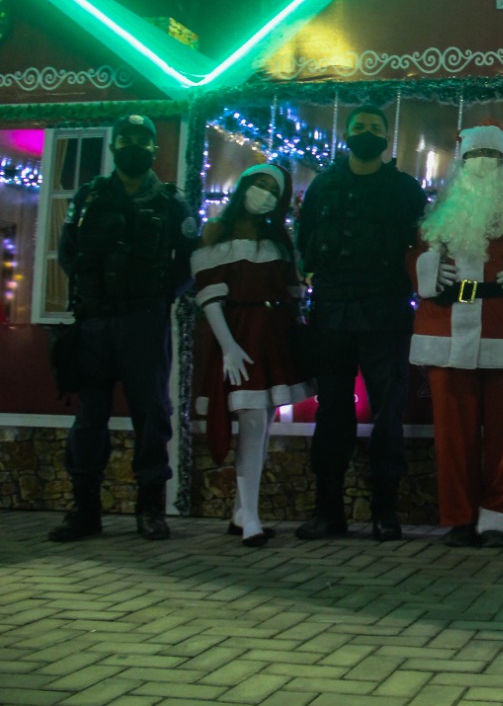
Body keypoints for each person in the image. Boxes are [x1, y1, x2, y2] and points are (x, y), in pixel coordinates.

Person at [49, 113, 199, 542]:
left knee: (152, 416)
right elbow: (68, 253)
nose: (134, 145)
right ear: (114, 146)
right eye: (126, 139)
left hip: (145, 324)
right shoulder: (90, 197)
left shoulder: (170, 201)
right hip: (94, 324)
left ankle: (150, 510)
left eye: (142, 140)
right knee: (89, 418)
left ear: (154, 148)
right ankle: (85, 511)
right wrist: (92, 298)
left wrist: (160, 299)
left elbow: (189, 263)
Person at [412, 124, 503, 548]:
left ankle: (497, 517)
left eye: (492, 154)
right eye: (475, 155)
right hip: (449, 328)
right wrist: (426, 270)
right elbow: (415, 253)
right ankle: (458, 517)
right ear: (461, 162)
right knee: (452, 432)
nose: (483, 163)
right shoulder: (442, 206)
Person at [295, 104, 427, 541]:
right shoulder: (323, 186)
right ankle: (328, 511)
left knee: (389, 414)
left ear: (387, 138)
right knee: (331, 413)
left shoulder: (406, 190)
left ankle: (385, 514)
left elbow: (420, 246)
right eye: (359, 127)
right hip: (331, 312)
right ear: (347, 135)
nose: (366, 133)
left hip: (386, 312)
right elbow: (305, 240)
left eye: (374, 128)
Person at [192, 163, 313, 547]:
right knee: (252, 421)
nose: (264, 193)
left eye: (272, 190)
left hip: (273, 335)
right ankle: (250, 520)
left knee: (262, 425)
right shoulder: (216, 230)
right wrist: (227, 345)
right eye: (259, 185)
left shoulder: (279, 239)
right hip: (239, 334)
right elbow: (209, 294)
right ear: (244, 184)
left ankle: (244, 511)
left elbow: (292, 294)